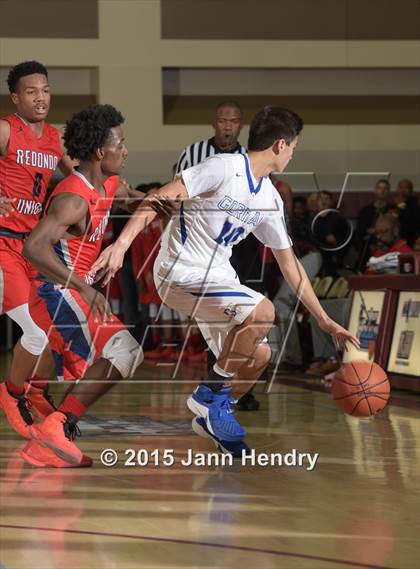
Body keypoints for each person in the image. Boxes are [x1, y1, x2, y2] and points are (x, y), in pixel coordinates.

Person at [93, 106, 359, 456]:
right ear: (280, 144)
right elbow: (161, 196)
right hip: (180, 270)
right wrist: (120, 246)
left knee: (260, 354)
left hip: (216, 277)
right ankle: (208, 397)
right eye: (294, 145)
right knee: (262, 312)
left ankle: (214, 414)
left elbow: (290, 265)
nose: (294, 152)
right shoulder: (222, 167)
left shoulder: (269, 198)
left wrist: (324, 319)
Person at [20, 104, 144, 467]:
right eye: (120, 143)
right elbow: (34, 247)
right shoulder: (72, 198)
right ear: (98, 151)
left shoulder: (106, 182)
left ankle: (43, 445)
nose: (126, 150)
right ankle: (58, 425)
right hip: (55, 293)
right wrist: (85, 287)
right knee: (126, 352)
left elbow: (122, 190)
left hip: (69, 293)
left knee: (67, 374)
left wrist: (147, 202)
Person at [0, 61, 74, 439]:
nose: (40, 97)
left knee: (50, 334)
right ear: (16, 98)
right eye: (31, 91)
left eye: (45, 90)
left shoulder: (53, 140)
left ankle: (33, 392)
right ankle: (12, 395)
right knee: (35, 335)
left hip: (32, 250)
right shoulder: (5, 129)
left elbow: (78, 177)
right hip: (2, 244)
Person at [175, 101, 261, 409]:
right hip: (202, 246)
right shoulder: (193, 154)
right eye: (223, 120)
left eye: (233, 121)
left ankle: (243, 389)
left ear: (241, 125)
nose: (227, 126)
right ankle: (217, 388)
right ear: (215, 123)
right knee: (217, 318)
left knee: (248, 320)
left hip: (239, 245)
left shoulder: (251, 159)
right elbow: (175, 196)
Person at [355, 178, 390, 269]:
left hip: (388, 248)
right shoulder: (365, 211)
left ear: (388, 192)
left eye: (385, 189)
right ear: (375, 190)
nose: (382, 191)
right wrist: (369, 231)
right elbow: (359, 231)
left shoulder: (393, 210)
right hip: (368, 248)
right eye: (379, 188)